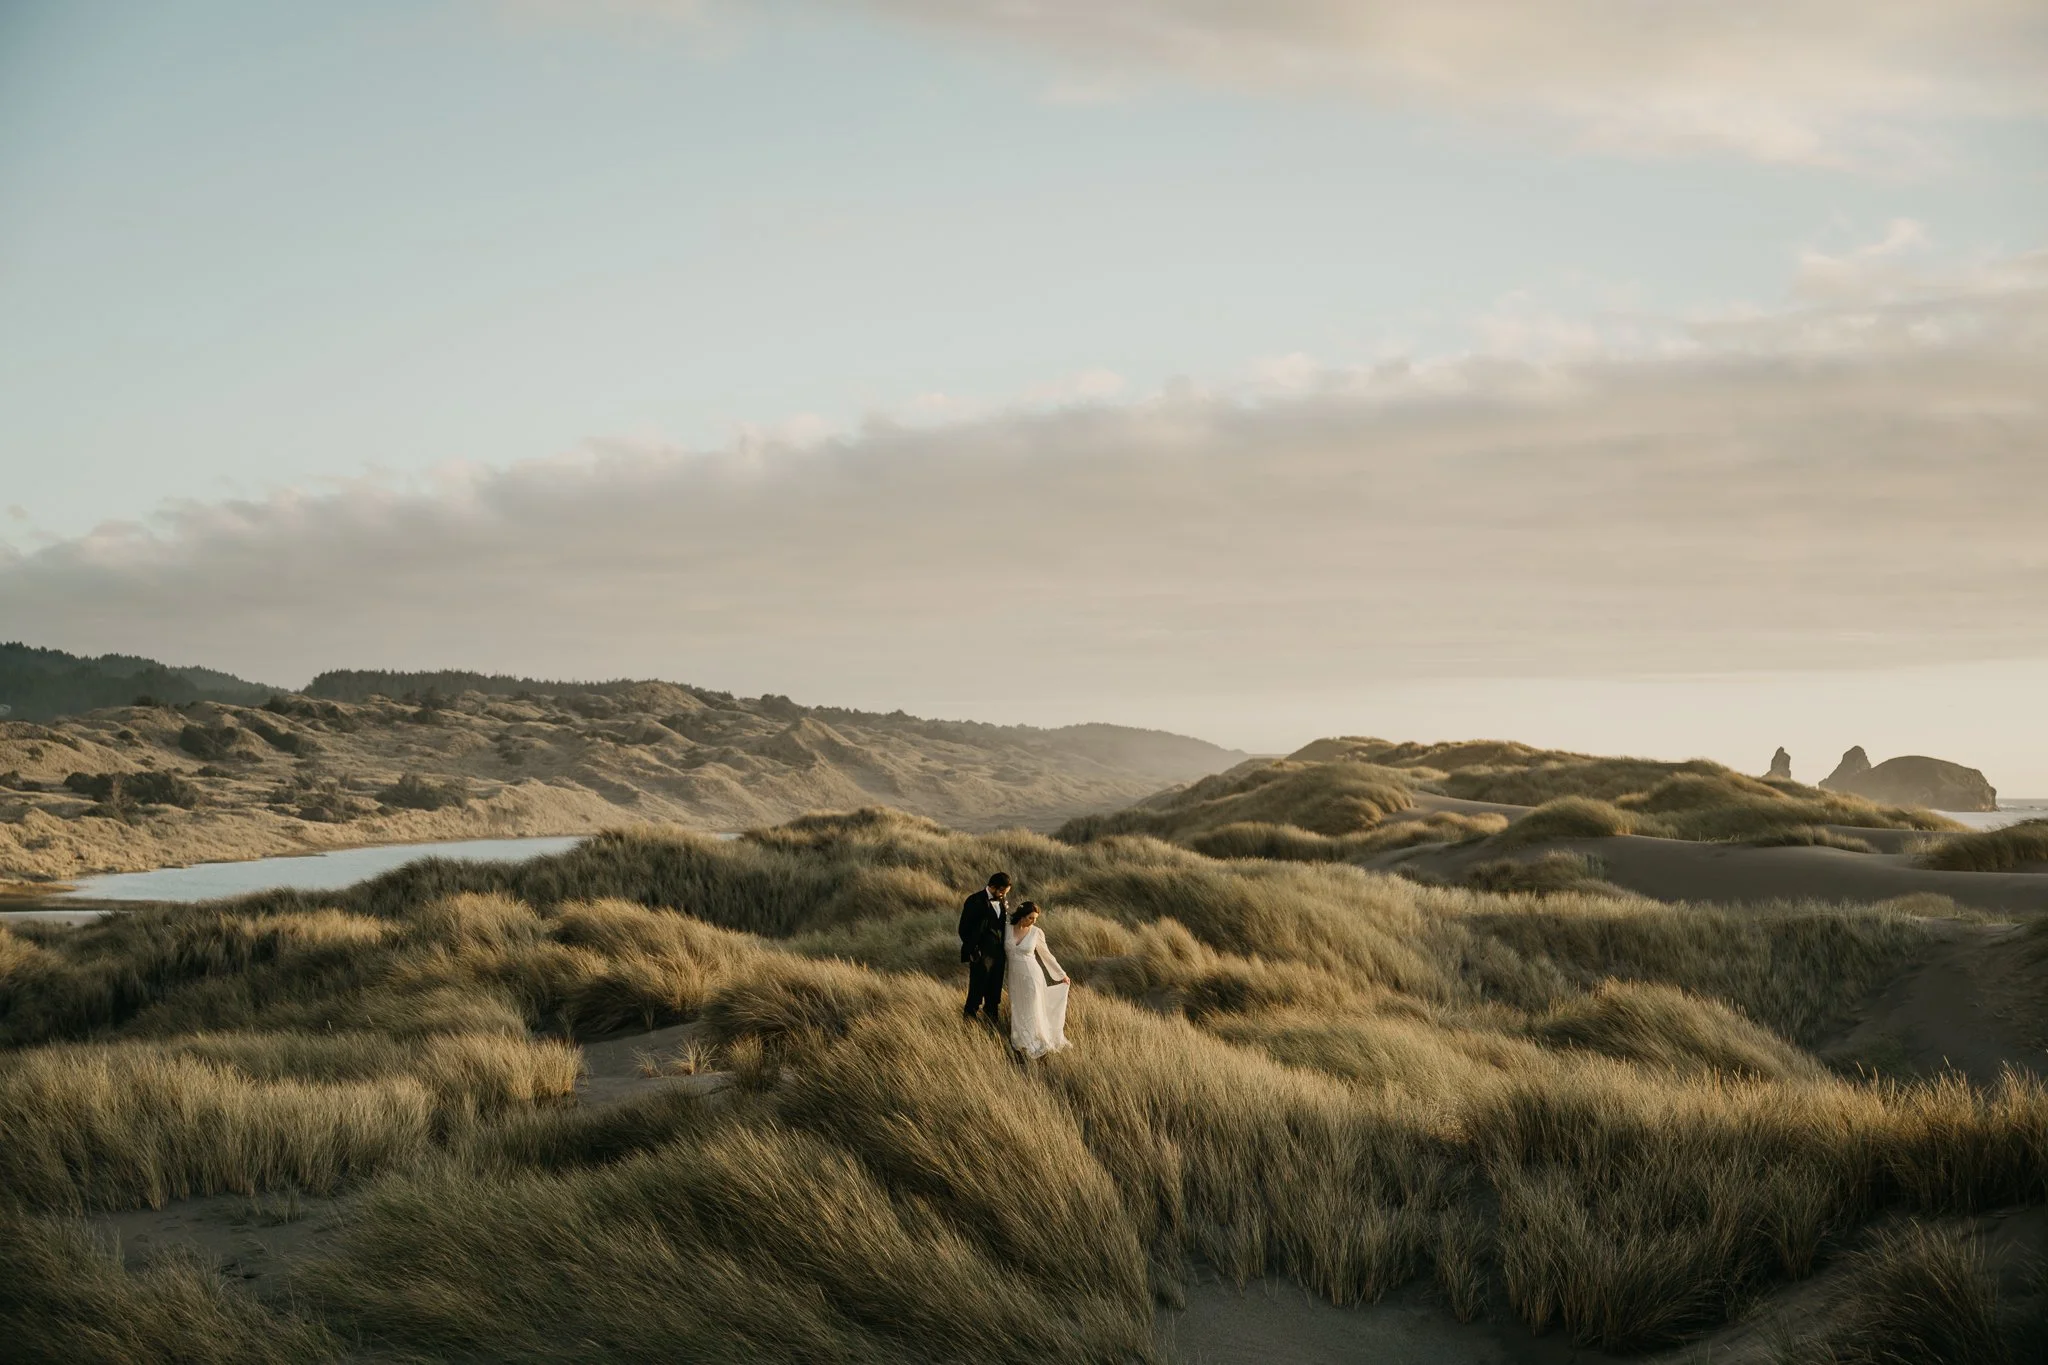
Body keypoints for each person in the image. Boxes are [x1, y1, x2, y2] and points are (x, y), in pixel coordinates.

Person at [1003, 901, 1070, 1059]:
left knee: (1032, 1007)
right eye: (1030, 918)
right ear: (1022, 915)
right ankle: (1020, 1040)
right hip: (1014, 976)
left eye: (1035, 918)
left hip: (1033, 976)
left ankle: (1033, 1040)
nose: (1033, 921)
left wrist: (1061, 975)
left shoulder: (1036, 932)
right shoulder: (1006, 929)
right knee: (1018, 1007)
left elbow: (1047, 955)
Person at [958, 872, 1011, 1024]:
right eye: (1001, 891)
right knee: (976, 992)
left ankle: (991, 1025)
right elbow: (963, 929)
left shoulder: (1001, 900)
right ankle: (968, 1027)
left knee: (994, 993)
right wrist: (975, 951)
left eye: (1005, 893)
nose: (1002, 895)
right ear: (992, 886)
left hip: (998, 955)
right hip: (981, 954)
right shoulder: (974, 900)